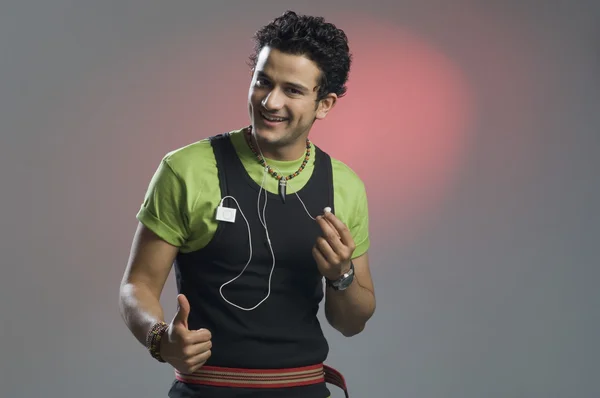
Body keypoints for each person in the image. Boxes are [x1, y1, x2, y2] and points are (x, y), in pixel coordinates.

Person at [119, 10, 376, 398]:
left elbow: (351, 322)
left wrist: (341, 276)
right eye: (263, 82)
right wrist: (160, 339)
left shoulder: (345, 186)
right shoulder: (185, 169)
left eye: (292, 90)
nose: (270, 101)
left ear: (324, 104)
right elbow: (136, 285)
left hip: (303, 390)